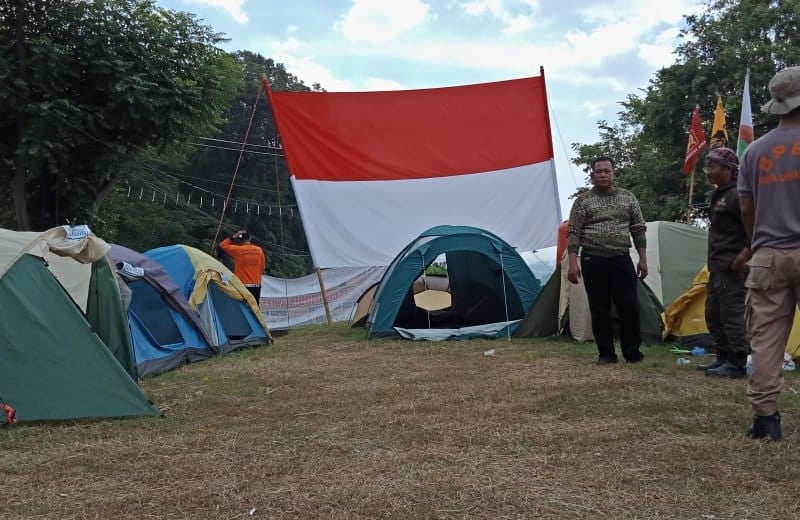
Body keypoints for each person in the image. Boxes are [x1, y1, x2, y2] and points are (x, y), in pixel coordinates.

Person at [738, 65, 800, 441]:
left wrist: (756, 241)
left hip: (766, 255)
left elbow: (746, 208)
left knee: (766, 340)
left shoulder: (754, 152)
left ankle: (766, 420)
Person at [567, 156, 648, 365]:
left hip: (621, 258)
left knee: (628, 307)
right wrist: (573, 262)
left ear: (614, 173)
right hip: (593, 259)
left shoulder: (628, 198)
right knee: (599, 308)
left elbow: (638, 228)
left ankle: (632, 353)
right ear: (592, 175)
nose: (603, 174)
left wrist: (643, 259)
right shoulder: (583, 201)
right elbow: (574, 232)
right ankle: (606, 354)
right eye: (599, 171)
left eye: (607, 171)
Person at [698, 147, 750, 378]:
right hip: (717, 266)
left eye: (712, 167)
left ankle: (737, 363)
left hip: (732, 266)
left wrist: (741, 259)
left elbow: (756, 228)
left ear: (728, 169)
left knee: (732, 316)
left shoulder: (740, 194)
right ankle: (722, 357)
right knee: (714, 315)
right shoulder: (719, 194)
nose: (708, 171)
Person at [218, 230, 266, 303]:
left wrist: (234, 236)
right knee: (254, 309)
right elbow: (262, 268)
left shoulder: (238, 250)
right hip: (256, 286)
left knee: (242, 308)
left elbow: (222, 245)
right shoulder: (259, 250)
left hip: (242, 286)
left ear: (240, 240)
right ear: (249, 239)